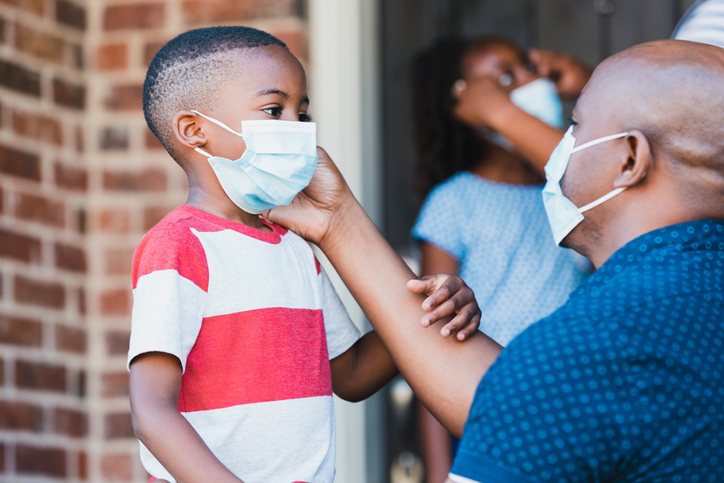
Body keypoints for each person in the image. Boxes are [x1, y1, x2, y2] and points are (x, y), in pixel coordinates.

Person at [265, 39, 724, 482]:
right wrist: (338, 222)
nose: (561, 142)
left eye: (575, 126)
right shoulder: (678, 310)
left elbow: (555, 388)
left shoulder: (589, 347)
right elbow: (538, 408)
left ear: (629, 159)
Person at [128, 26, 481, 483]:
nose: (297, 128)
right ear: (194, 131)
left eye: (302, 111)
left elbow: (352, 374)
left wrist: (434, 313)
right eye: (274, 110)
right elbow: (151, 412)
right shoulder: (178, 245)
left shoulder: (293, 244)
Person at [410, 37, 590, 482]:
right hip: (481, 408)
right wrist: (437, 468)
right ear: (467, 105)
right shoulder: (452, 202)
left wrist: (586, 87)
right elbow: (429, 341)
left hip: (575, 406)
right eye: (506, 78)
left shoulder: (577, 193)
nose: (531, 81)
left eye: (528, 67)